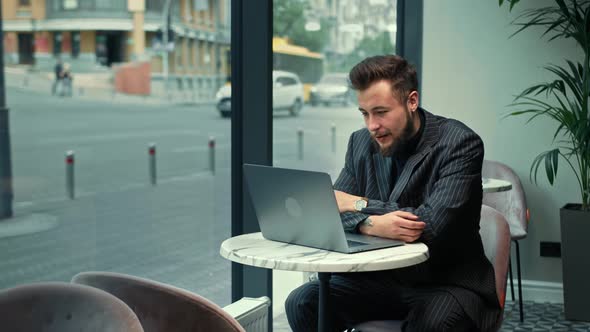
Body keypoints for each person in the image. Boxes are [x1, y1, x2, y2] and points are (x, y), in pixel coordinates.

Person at [285, 55, 501, 331]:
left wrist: (359, 205)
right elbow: (330, 211)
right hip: (378, 279)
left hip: (443, 282)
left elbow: (430, 226)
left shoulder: (460, 143)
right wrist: (371, 223)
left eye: (381, 112)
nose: (371, 125)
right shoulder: (361, 142)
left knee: (434, 323)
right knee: (302, 302)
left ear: (412, 101)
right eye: (364, 113)